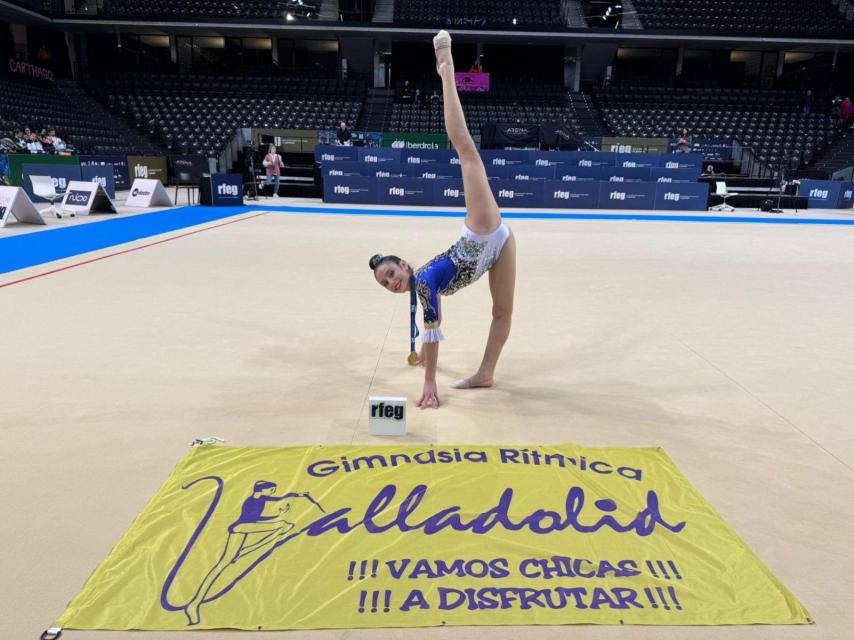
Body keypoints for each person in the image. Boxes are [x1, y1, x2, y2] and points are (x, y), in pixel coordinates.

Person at [369, 30, 516, 410]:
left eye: (390, 274)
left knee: (466, 151)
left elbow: (432, 335)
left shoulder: (426, 280)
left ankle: (446, 67)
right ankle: (486, 372)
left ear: (402, 264)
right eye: (387, 284)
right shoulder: (422, 284)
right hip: (498, 247)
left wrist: (430, 381)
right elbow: (428, 331)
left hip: (481, 235)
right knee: (502, 312)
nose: (392, 283)